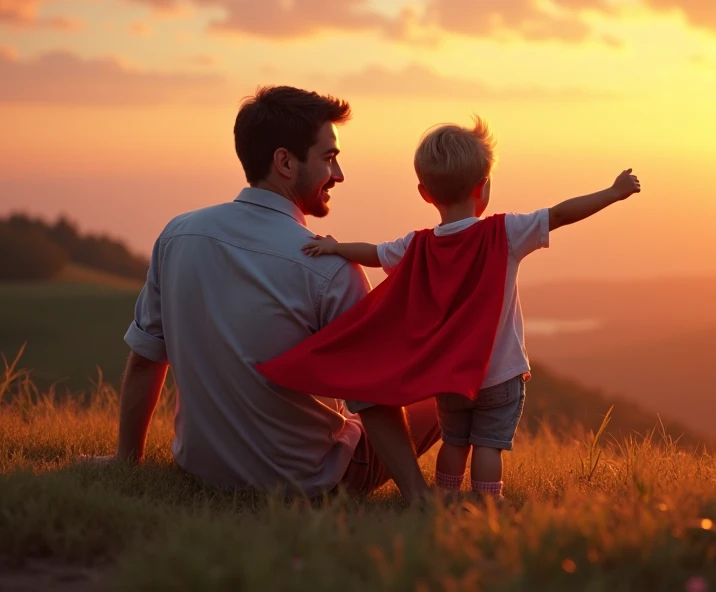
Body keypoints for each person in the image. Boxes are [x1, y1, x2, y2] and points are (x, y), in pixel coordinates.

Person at [84, 86, 440, 503]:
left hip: (200, 467)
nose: (339, 175)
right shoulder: (329, 268)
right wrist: (418, 494)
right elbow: (374, 400)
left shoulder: (178, 235)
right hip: (307, 481)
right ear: (285, 162)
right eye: (328, 158)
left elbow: (146, 360)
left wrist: (126, 460)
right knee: (437, 396)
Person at [258, 115, 641, 500]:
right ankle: (488, 502)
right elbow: (559, 214)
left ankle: (444, 496)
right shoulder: (504, 233)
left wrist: (335, 247)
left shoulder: (419, 245)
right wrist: (612, 192)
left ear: (425, 193)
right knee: (489, 445)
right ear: (483, 187)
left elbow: (373, 254)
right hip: (500, 375)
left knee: (455, 442)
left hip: (451, 377)